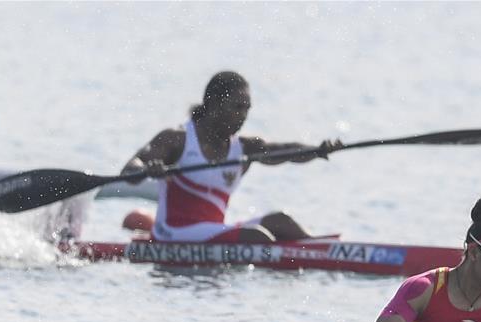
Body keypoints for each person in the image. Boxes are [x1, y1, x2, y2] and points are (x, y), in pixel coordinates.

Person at [121, 71, 342, 243]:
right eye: (237, 107)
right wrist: (147, 169)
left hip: (213, 232)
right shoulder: (176, 139)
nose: (243, 116)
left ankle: (320, 251)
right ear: (213, 104)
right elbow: (130, 169)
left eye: (247, 108)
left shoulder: (244, 148)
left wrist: (318, 151)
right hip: (173, 233)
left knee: (281, 221)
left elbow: (286, 152)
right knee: (256, 236)